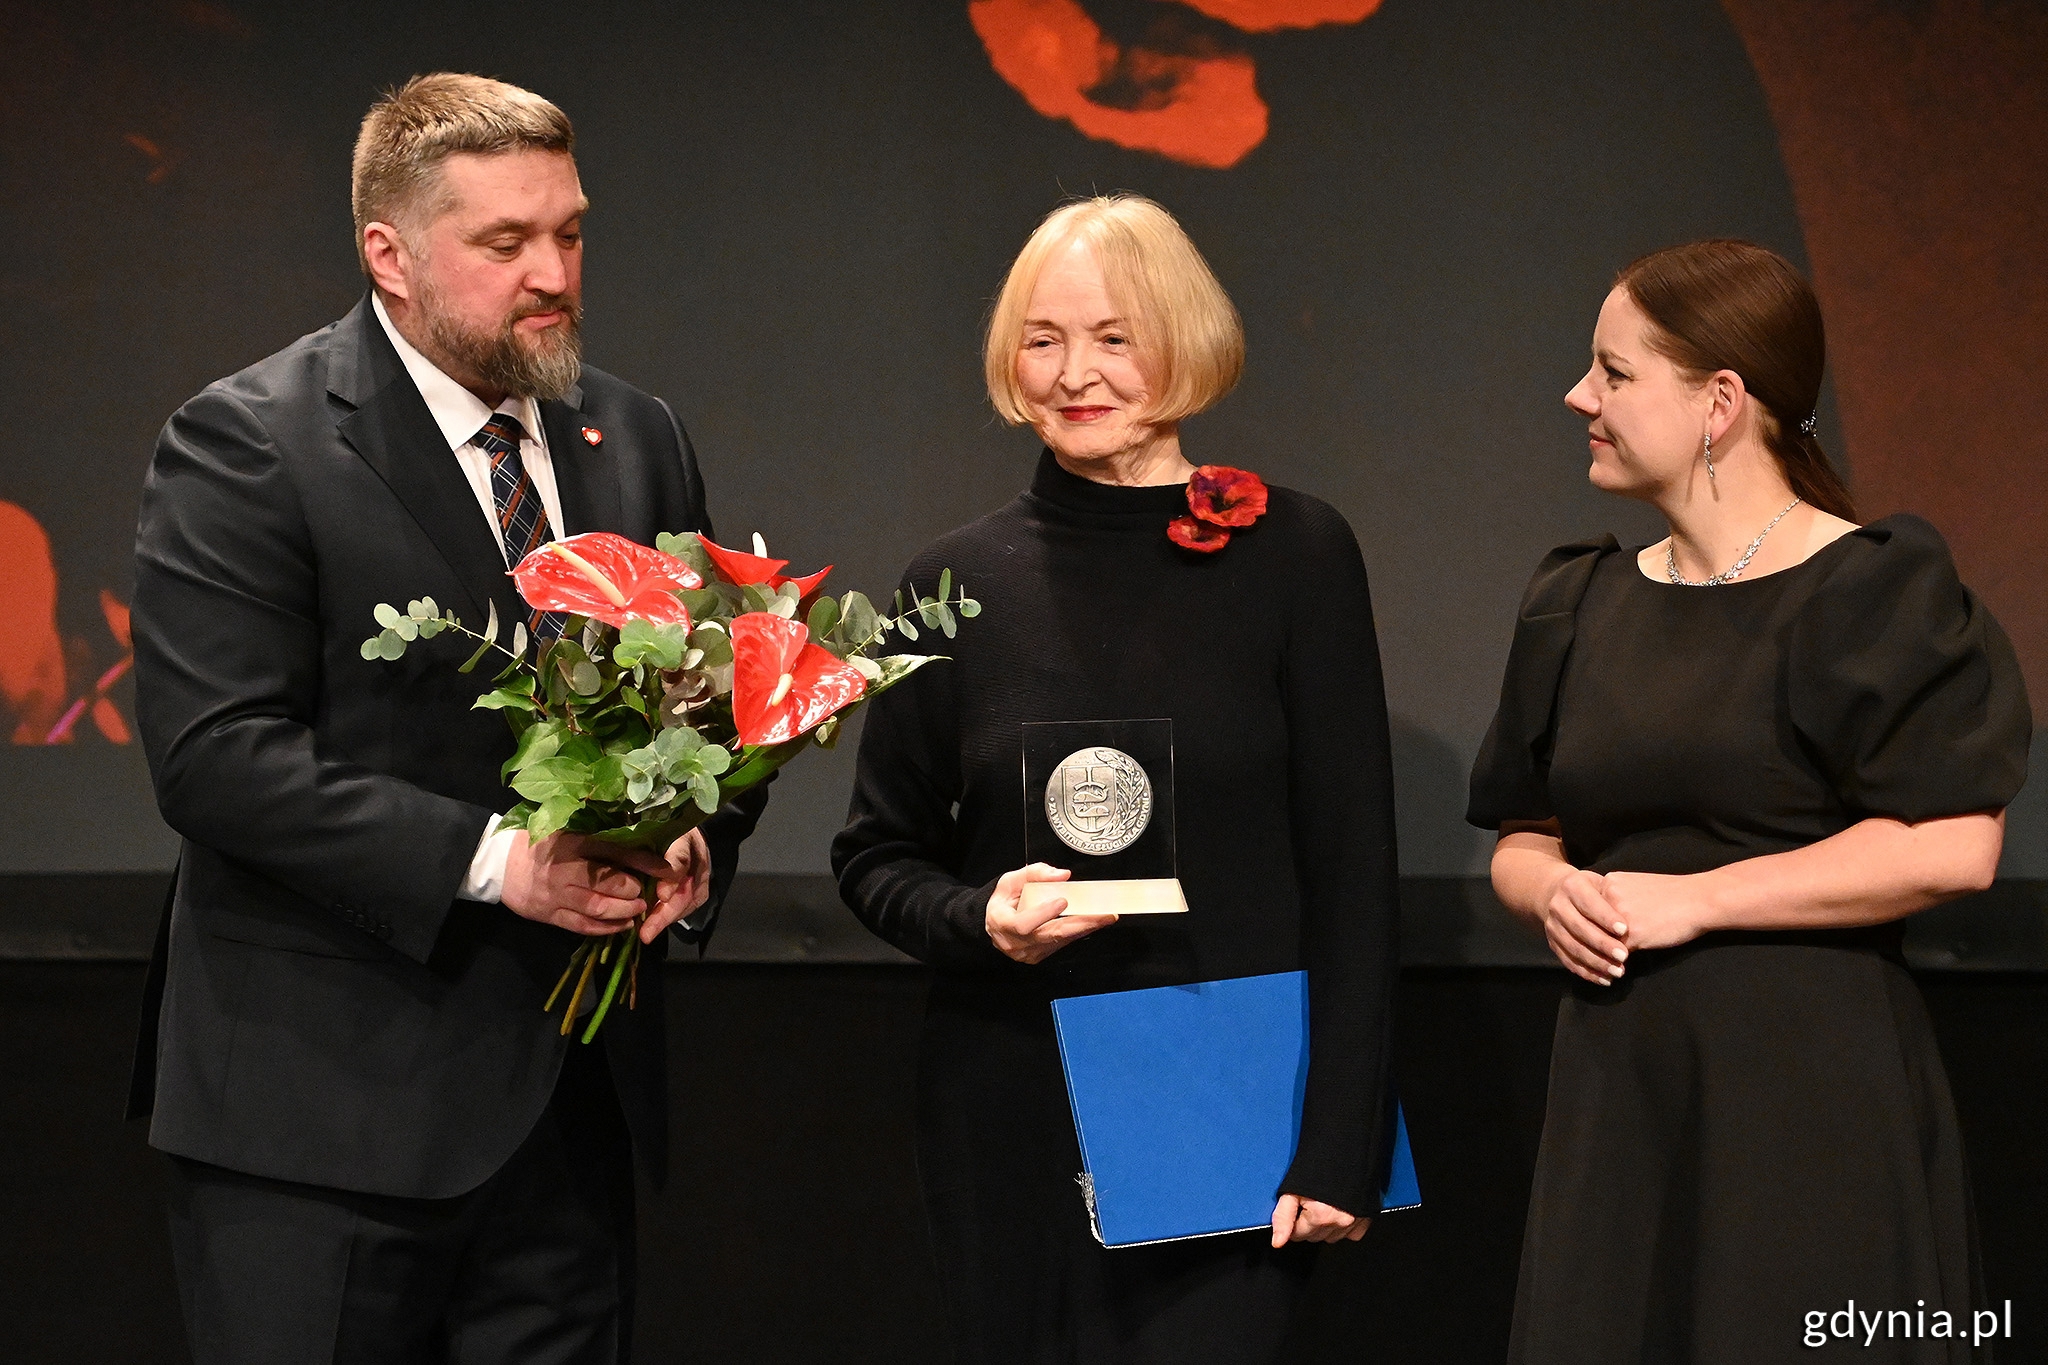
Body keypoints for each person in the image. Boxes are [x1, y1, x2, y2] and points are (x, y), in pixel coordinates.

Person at [128, 73, 766, 1364]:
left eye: (570, 233)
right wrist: (504, 863)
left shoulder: (635, 437)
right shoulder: (250, 443)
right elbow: (217, 759)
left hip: (565, 1123)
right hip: (320, 1129)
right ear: (392, 254)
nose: (553, 271)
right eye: (506, 242)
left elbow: (715, 700)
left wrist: (692, 841)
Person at [832, 195, 1401, 1363]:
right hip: (1010, 1107)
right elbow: (875, 855)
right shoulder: (952, 580)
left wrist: (1342, 1138)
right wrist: (976, 916)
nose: (1073, 373)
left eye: (1112, 336)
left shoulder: (1295, 553)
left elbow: (1352, 867)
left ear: (1182, 341)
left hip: (1234, 1112)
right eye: (1041, 339)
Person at [1468, 239, 2031, 1363]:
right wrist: (1553, 893)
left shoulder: (1868, 587)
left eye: (1612, 372)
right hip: (1620, 1083)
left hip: (1803, 1088)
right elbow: (1525, 836)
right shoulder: (1577, 602)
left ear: (1719, 401)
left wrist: (1696, 901)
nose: (1577, 396)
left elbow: (1955, 846)